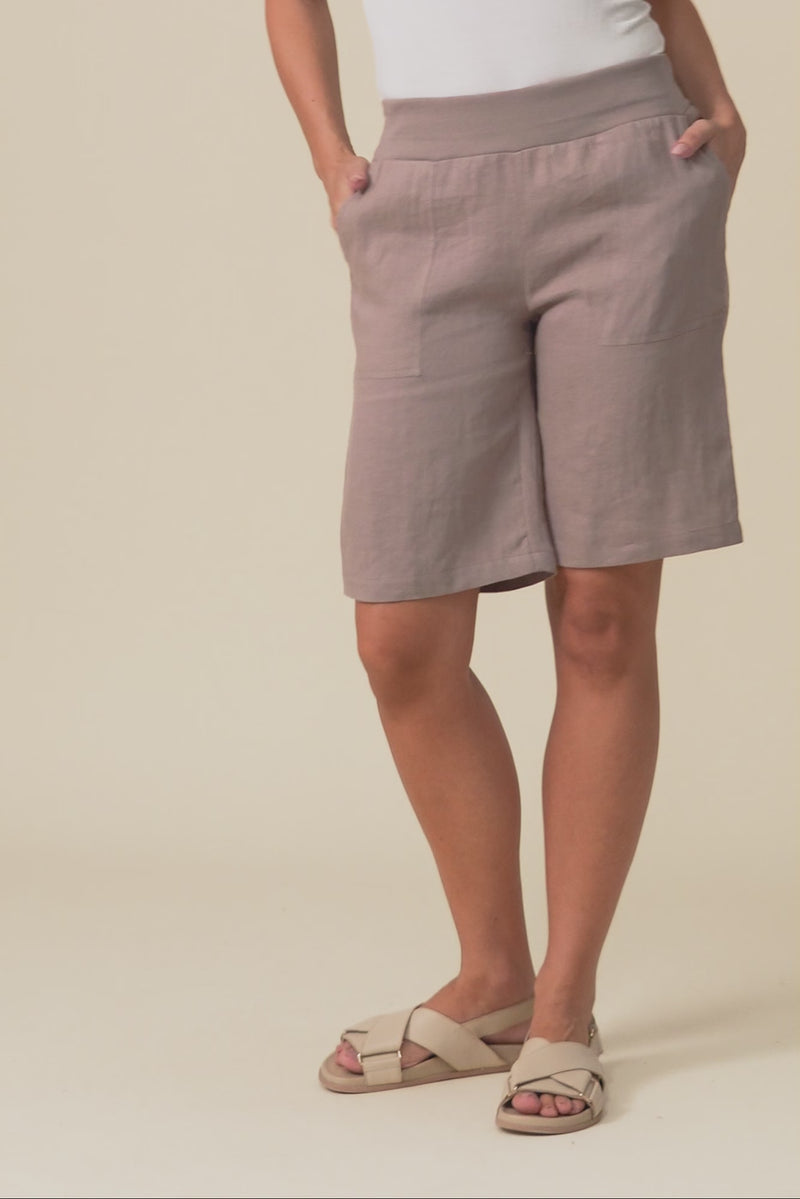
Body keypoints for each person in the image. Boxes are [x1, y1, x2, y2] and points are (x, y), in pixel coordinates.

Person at [264, 0, 746, 1134]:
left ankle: (563, 1006)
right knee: (400, 638)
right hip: (426, 186)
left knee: (602, 616)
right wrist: (330, 154)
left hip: (627, 168)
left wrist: (716, 101)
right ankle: (492, 980)